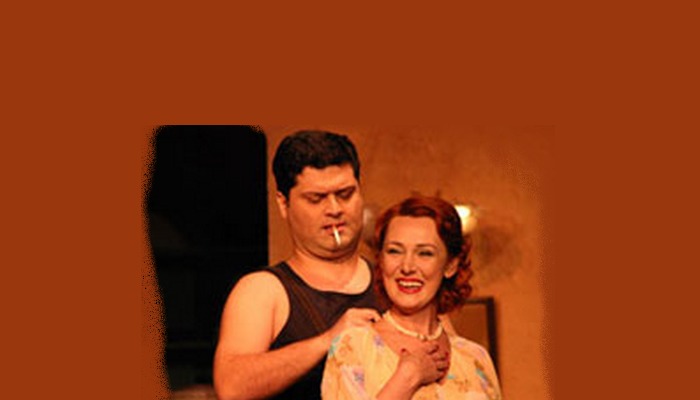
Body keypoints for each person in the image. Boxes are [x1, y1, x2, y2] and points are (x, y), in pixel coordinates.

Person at [213, 130, 383, 400]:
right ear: (284, 204)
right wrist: (329, 340)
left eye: (345, 194)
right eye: (316, 198)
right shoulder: (262, 291)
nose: (334, 209)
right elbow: (232, 386)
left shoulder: (394, 281)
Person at [321, 196, 503, 400]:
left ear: (450, 265)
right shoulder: (352, 347)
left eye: (424, 253)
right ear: (381, 260)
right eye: (394, 251)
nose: (407, 267)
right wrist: (407, 378)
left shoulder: (475, 358)